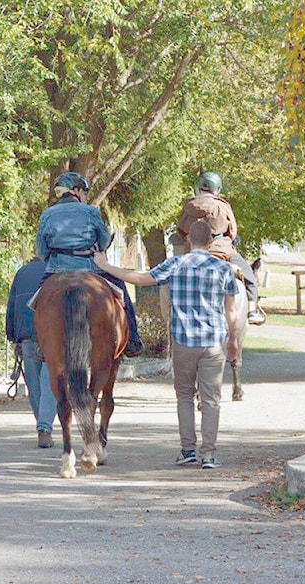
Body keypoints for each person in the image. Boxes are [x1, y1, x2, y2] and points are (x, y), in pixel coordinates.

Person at [94, 220, 238, 470]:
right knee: (212, 399)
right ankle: (209, 455)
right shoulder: (224, 269)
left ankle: (187, 450)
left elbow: (140, 278)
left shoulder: (176, 264)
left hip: (184, 341)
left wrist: (106, 266)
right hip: (214, 343)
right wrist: (234, 340)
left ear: (189, 241)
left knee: (184, 396)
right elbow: (231, 311)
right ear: (212, 242)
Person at [35, 171, 144, 357]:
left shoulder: (47, 215)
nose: (85, 195)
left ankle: (40, 343)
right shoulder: (91, 211)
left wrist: (53, 261)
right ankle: (132, 339)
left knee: (37, 302)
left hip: (57, 269)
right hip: (91, 268)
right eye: (84, 191)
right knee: (121, 291)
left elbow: (41, 250)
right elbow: (102, 242)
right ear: (76, 191)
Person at [177, 171, 263, 324]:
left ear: (198, 188)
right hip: (221, 251)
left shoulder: (188, 206)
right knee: (248, 274)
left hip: (193, 251)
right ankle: (252, 310)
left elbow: (181, 230)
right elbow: (232, 231)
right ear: (216, 189)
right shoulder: (222, 206)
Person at [5, 257, 58, 448]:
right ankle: (44, 426)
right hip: (52, 336)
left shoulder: (22, 272)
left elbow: (11, 306)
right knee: (49, 382)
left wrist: (13, 337)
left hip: (26, 336)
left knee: (34, 386)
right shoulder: (57, 271)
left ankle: (42, 427)